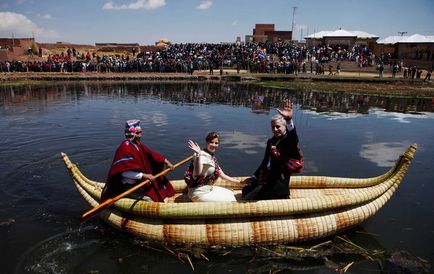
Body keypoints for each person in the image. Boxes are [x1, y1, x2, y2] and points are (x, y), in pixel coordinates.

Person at [242, 99, 304, 200]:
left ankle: (282, 196)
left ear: (284, 127)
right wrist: (254, 177)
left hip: (278, 184)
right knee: (245, 190)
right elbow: (265, 161)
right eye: (273, 127)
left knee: (249, 198)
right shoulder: (271, 141)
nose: (275, 129)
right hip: (267, 178)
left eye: (278, 127)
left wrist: (288, 120)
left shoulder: (289, 141)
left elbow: (293, 137)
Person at [101, 120, 175, 202]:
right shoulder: (124, 149)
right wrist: (144, 175)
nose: (141, 135)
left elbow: (152, 154)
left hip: (139, 183)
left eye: (140, 132)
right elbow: (123, 173)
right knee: (151, 200)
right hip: (129, 186)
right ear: (132, 134)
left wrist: (166, 162)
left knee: (161, 188)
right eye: (138, 133)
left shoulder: (137, 145)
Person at [185, 132, 241, 202]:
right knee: (232, 200)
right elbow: (198, 172)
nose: (214, 145)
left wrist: (240, 182)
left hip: (208, 188)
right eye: (211, 142)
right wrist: (198, 155)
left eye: (216, 143)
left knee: (230, 192)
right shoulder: (201, 156)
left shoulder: (211, 156)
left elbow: (222, 175)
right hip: (199, 193)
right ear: (206, 142)